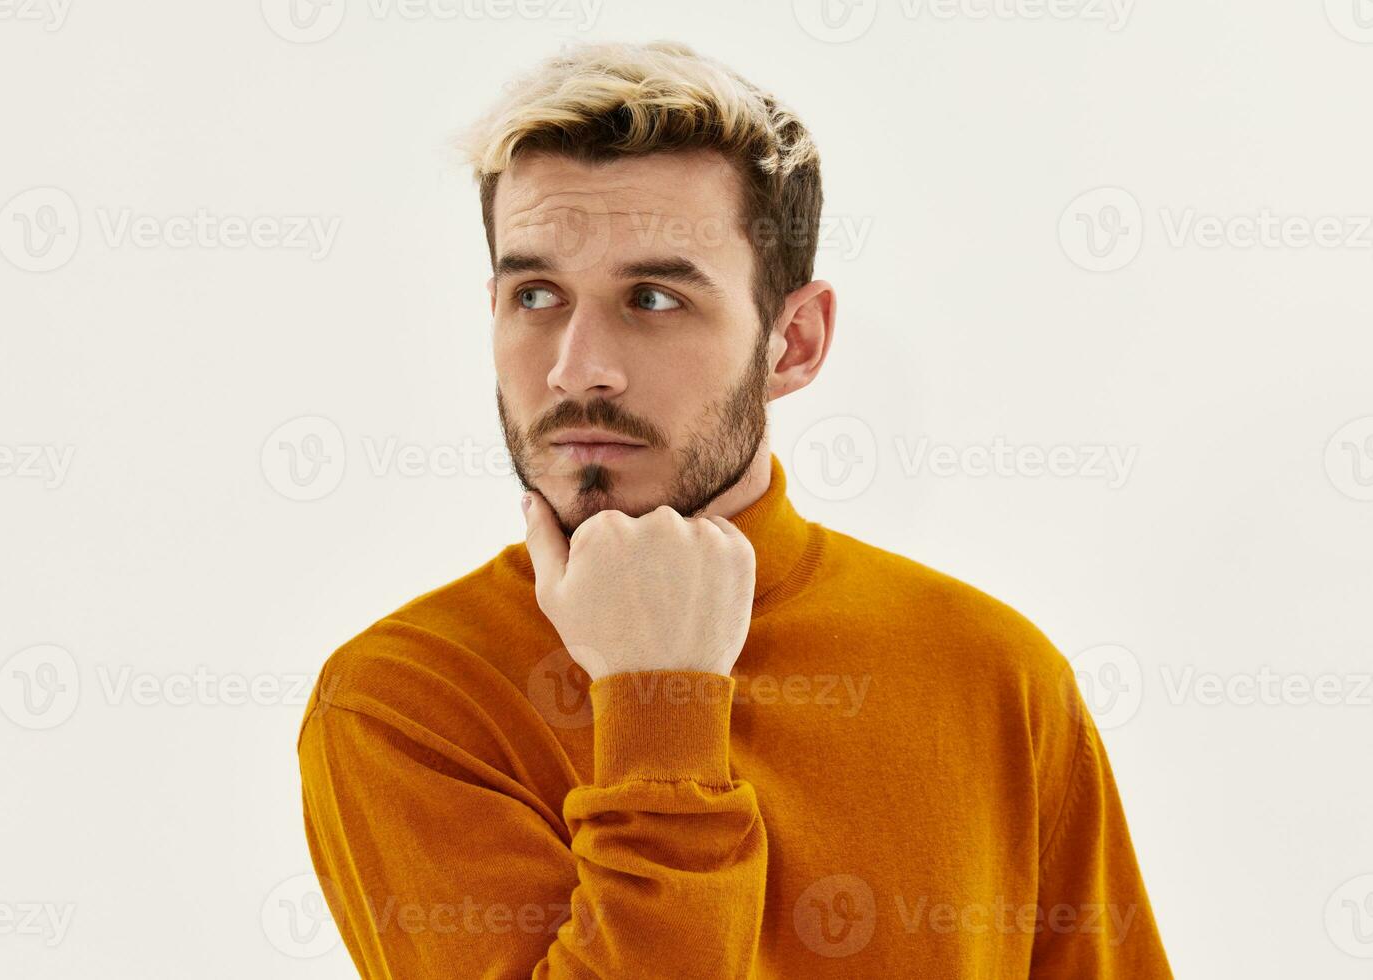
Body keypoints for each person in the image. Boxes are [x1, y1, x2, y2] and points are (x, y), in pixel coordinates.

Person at [297, 38, 1174, 978]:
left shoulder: (998, 671)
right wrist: (659, 707)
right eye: (537, 294)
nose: (575, 366)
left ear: (793, 342)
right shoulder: (410, 699)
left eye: (656, 297)